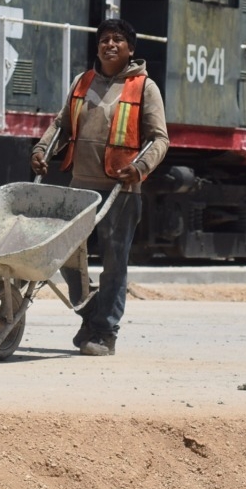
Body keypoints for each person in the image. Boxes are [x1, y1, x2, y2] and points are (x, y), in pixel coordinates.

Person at [31, 18, 168, 356]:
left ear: (130, 49)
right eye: (104, 39)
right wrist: (40, 149)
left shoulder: (144, 87)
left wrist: (139, 169)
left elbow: (159, 139)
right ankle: (91, 311)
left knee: (114, 263)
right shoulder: (83, 81)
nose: (110, 45)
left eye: (118, 40)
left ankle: (105, 332)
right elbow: (62, 125)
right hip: (81, 188)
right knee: (63, 253)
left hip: (121, 193)